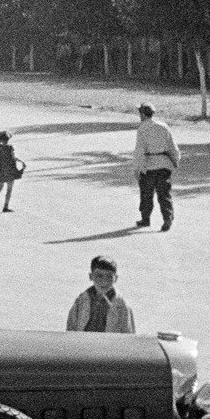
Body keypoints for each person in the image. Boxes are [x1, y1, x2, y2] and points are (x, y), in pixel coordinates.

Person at [133, 103, 178, 231]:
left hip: (149, 165)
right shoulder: (163, 126)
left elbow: (139, 150)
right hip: (164, 164)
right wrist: (175, 161)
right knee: (164, 193)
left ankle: (145, 218)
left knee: (146, 194)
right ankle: (168, 217)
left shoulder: (142, 129)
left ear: (142, 114)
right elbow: (172, 146)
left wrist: (137, 168)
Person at [65, 255, 136, 333]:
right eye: (99, 276)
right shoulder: (81, 301)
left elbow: (128, 335)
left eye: (109, 276)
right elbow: (71, 330)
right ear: (91, 276)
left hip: (109, 344)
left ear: (116, 278)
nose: (104, 281)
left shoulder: (121, 306)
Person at [0, 130, 20, 213]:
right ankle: (5, 206)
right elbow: (13, 157)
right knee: (9, 189)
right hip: (10, 170)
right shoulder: (10, 148)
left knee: (0, 187)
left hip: (2, 170)